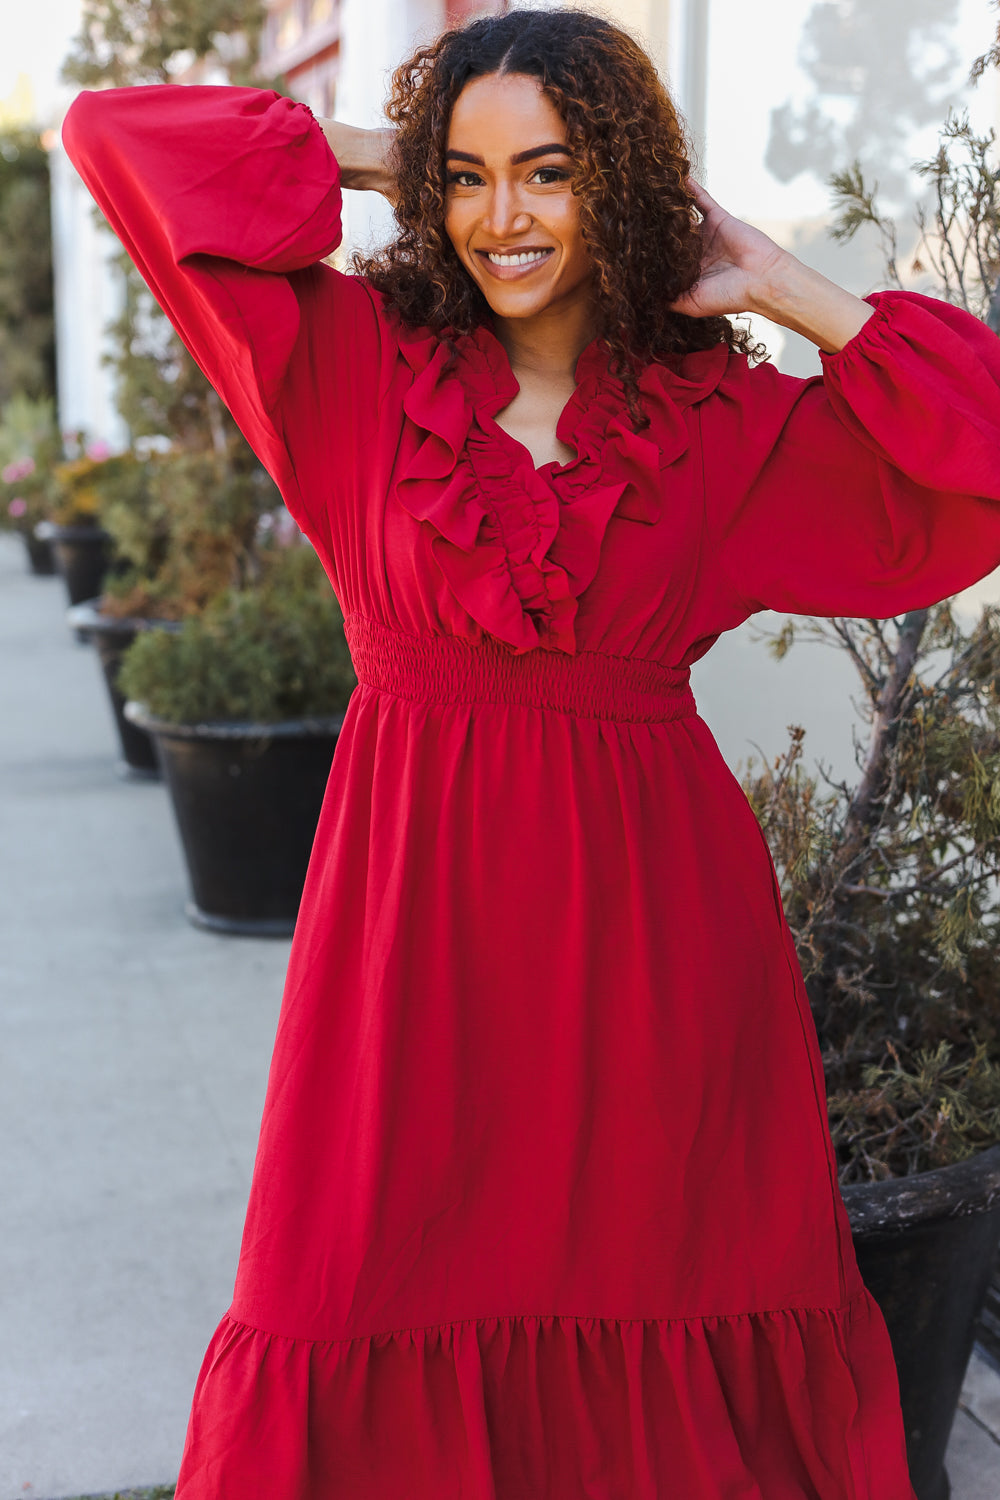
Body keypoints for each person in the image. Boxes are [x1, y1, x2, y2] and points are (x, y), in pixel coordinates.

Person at [61, 7, 1000, 1496]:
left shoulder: (726, 434)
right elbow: (120, 140)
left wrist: (786, 284)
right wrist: (394, 158)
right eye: (474, 176)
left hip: (656, 962)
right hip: (404, 957)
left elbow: (985, 450)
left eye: (550, 173)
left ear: (619, 185)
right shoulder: (346, 374)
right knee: (350, 1293)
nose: (505, 218)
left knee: (663, 1298)